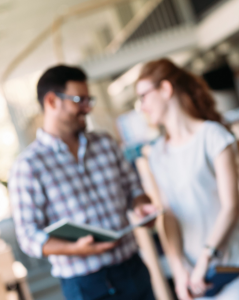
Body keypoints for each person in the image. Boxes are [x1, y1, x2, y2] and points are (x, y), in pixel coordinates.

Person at [9, 65, 159, 300]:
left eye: (89, 99)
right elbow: (28, 236)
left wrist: (142, 206)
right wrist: (73, 249)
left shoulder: (106, 143)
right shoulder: (28, 166)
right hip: (85, 286)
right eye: (79, 100)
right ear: (51, 101)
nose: (87, 108)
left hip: (132, 270)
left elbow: (134, 191)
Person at [134, 58, 239, 300]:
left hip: (229, 269)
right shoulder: (157, 152)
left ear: (166, 89)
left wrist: (205, 258)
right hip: (193, 280)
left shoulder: (213, 135)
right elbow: (168, 217)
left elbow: (231, 207)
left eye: (144, 96)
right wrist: (180, 272)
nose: (142, 106)